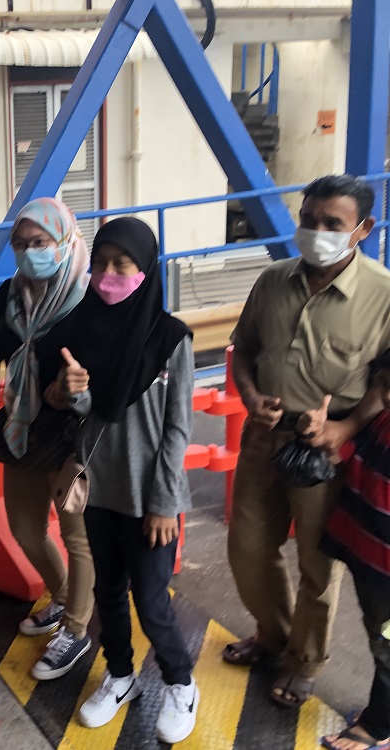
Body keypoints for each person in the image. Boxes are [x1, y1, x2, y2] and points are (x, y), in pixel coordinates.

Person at [225, 174, 390, 709]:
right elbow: (243, 350)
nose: (316, 231)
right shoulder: (272, 280)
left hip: (327, 450)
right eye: (308, 220)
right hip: (263, 437)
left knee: (317, 565)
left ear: (362, 229)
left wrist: (342, 430)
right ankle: (273, 636)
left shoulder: (383, 295)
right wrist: (250, 395)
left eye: (332, 224)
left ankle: (305, 661)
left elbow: (386, 387)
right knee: (249, 549)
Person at [63, 217, 199, 744]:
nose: (107, 275)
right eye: (99, 263)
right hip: (100, 489)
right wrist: (74, 392)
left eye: (122, 264)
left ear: (145, 269)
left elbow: (177, 429)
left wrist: (165, 502)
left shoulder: (171, 339)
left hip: (150, 499)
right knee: (109, 592)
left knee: (151, 598)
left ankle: (180, 683)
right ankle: (121, 677)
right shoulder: (84, 329)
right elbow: (88, 414)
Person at [0, 196, 96, 680]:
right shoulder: (15, 293)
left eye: (40, 242)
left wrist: (76, 389)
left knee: (78, 536)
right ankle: (60, 598)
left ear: (65, 239)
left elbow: (108, 370)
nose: (30, 251)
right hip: (25, 425)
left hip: (76, 432)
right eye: (21, 243)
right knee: (25, 529)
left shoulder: (92, 297)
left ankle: (75, 629)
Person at [307, 349, 390, 750]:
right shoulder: (384, 416)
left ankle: (379, 727)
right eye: (386, 387)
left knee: (386, 643)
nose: (388, 397)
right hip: (371, 551)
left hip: (386, 563)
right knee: (378, 635)